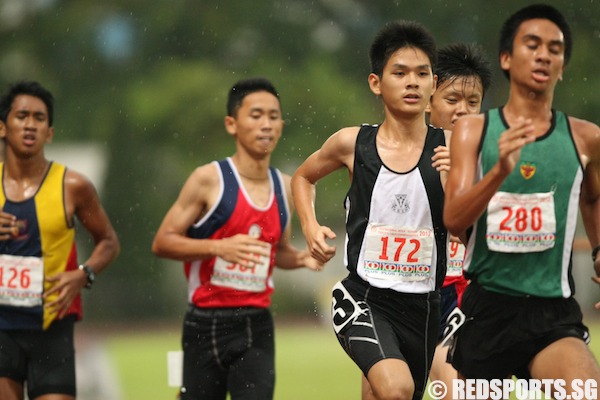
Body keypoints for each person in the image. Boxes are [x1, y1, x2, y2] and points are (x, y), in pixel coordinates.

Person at [444, 3, 600, 395]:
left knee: (587, 390)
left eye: (555, 48)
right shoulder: (473, 132)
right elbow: (454, 219)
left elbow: (593, 198)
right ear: (507, 58)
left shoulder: (586, 138)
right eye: (532, 44)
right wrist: (498, 172)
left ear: (562, 66)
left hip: (552, 311)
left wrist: (599, 251)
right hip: (487, 310)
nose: (544, 54)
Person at [292, 20, 449, 400]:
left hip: (425, 305)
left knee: (388, 395)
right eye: (400, 73)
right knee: (395, 388)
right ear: (376, 83)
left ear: (433, 84)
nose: (412, 82)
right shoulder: (351, 143)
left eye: (421, 73)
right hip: (364, 297)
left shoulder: (454, 148)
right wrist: (310, 226)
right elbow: (302, 178)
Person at [152, 77, 322, 400]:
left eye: (273, 116)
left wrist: (301, 258)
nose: (266, 125)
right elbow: (162, 242)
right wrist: (218, 246)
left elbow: (278, 253)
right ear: (232, 124)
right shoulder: (208, 180)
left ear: (282, 125)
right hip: (205, 323)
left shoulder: (285, 187)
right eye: (256, 115)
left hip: (255, 324)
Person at [0, 81, 120, 400]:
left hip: (52, 328)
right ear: (2, 127)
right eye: (22, 116)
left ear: (49, 133)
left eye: (39, 118)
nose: (30, 124)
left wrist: (84, 273)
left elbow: (108, 241)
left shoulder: (73, 185)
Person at [426, 42, 491, 398]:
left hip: (474, 293)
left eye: (473, 102)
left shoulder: (495, 157)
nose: (462, 111)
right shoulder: (403, 153)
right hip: (416, 293)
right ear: (428, 100)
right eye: (452, 100)